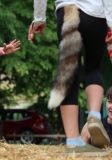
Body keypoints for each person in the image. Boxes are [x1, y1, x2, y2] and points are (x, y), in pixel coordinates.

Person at [28, 0, 112, 156]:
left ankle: (73, 141)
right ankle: (94, 116)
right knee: (94, 66)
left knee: (70, 69)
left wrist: (39, 18)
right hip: (95, 14)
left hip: (66, 10)